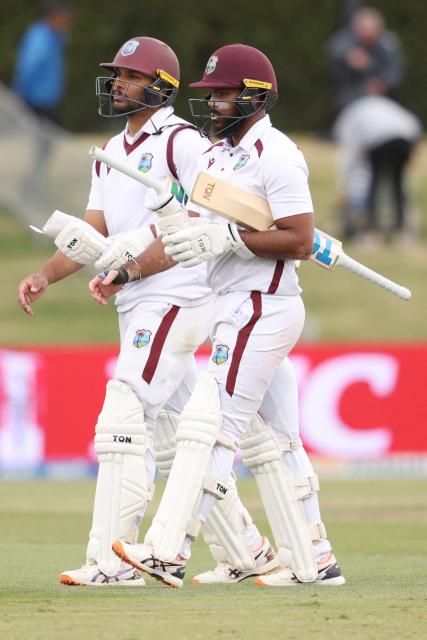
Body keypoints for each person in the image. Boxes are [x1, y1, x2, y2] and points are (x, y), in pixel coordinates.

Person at [17, 36, 277, 587]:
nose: (117, 84)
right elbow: (96, 231)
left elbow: (197, 214)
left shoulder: (181, 140)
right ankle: (249, 551)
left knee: (123, 409)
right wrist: (46, 274)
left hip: (176, 296)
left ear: (159, 86)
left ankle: (112, 563)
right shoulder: (113, 150)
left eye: (129, 77)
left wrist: (132, 265)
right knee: (172, 434)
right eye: (116, 75)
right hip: (138, 300)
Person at [111, 43, 345, 588]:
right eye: (210, 94)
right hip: (232, 306)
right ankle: (318, 560)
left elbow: (300, 238)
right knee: (282, 440)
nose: (212, 103)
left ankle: (171, 548)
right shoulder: (216, 157)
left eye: (222, 94)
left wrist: (233, 239)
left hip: (263, 304)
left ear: (256, 95)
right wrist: (130, 271)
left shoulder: (278, 153)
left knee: (208, 429)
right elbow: (188, 233)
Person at [333, 95, 422, 240]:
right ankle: (401, 230)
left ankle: (372, 231)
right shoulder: (378, 103)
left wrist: (345, 187)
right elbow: (413, 125)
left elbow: (350, 155)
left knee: (374, 184)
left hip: (381, 141)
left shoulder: (349, 116)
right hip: (406, 139)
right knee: (397, 183)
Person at [12, 1, 74, 202]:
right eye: (64, 16)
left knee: (44, 146)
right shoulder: (40, 37)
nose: (67, 21)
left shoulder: (55, 36)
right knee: (41, 145)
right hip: (37, 102)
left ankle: (32, 185)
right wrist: (20, 95)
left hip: (48, 101)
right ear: (52, 16)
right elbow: (28, 67)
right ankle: (29, 187)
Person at [327, 6, 403, 112]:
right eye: (365, 32)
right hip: (351, 93)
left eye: (372, 32)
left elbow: (394, 72)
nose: (368, 38)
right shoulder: (345, 40)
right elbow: (334, 50)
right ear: (357, 29)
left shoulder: (388, 44)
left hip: (383, 95)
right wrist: (348, 56)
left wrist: (380, 83)